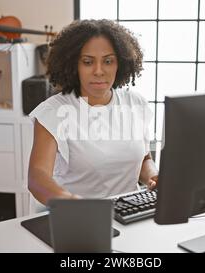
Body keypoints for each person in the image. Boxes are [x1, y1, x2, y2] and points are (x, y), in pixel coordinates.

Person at [28, 19, 158, 205]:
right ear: (74, 65)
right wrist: (71, 203)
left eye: (108, 61)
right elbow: (37, 178)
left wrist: (154, 176)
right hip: (78, 216)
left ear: (119, 63)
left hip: (129, 212)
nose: (99, 71)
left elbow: (144, 159)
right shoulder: (53, 112)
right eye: (88, 62)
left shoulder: (135, 103)